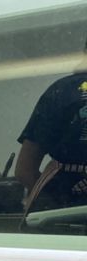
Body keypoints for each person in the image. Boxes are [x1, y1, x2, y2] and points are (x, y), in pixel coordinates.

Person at [15, 38, 87, 218]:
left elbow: (24, 169)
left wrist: (54, 206)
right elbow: (25, 170)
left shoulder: (61, 90)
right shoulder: (62, 91)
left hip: (60, 214)